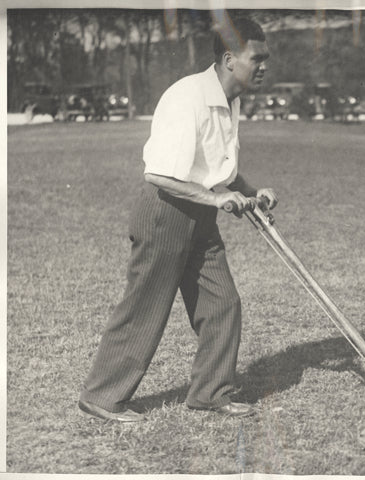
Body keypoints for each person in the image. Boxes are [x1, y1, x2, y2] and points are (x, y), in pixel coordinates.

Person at [78, 16, 276, 422]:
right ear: (228, 58)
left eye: (265, 58)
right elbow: (160, 175)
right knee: (146, 306)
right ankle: (101, 395)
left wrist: (253, 192)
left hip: (200, 216)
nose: (264, 66)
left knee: (223, 303)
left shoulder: (231, 100)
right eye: (257, 58)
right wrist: (217, 200)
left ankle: (210, 392)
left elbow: (217, 167)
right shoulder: (187, 97)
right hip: (165, 213)